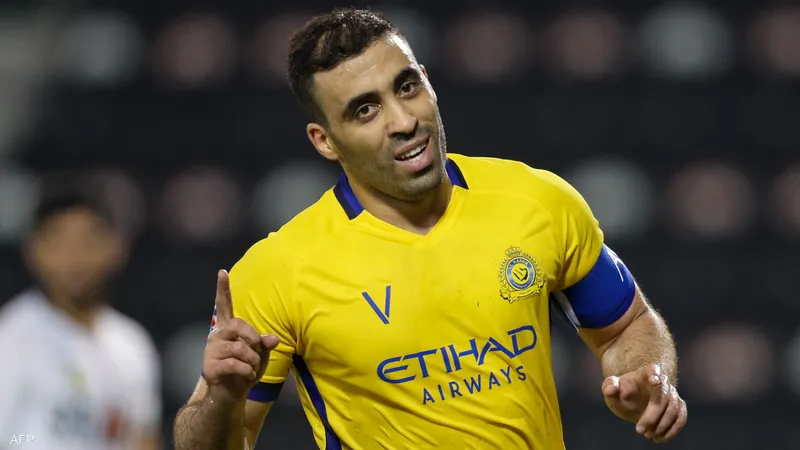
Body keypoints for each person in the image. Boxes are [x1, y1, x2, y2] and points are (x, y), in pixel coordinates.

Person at [174, 7, 687, 450]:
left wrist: (646, 374)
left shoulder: (536, 201)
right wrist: (222, 399)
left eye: (406, 87)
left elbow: (628, 326)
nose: (403, 121)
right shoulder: (276, 271)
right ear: (324, 140)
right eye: (365, 110)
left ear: (427, 81)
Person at [0, 188, 162, 450]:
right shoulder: (12, 336)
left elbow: (143, 439)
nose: (74, 257)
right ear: (33, 250)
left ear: (115, 247)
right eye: (59, 242)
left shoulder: (131, 343)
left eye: (88, 241)